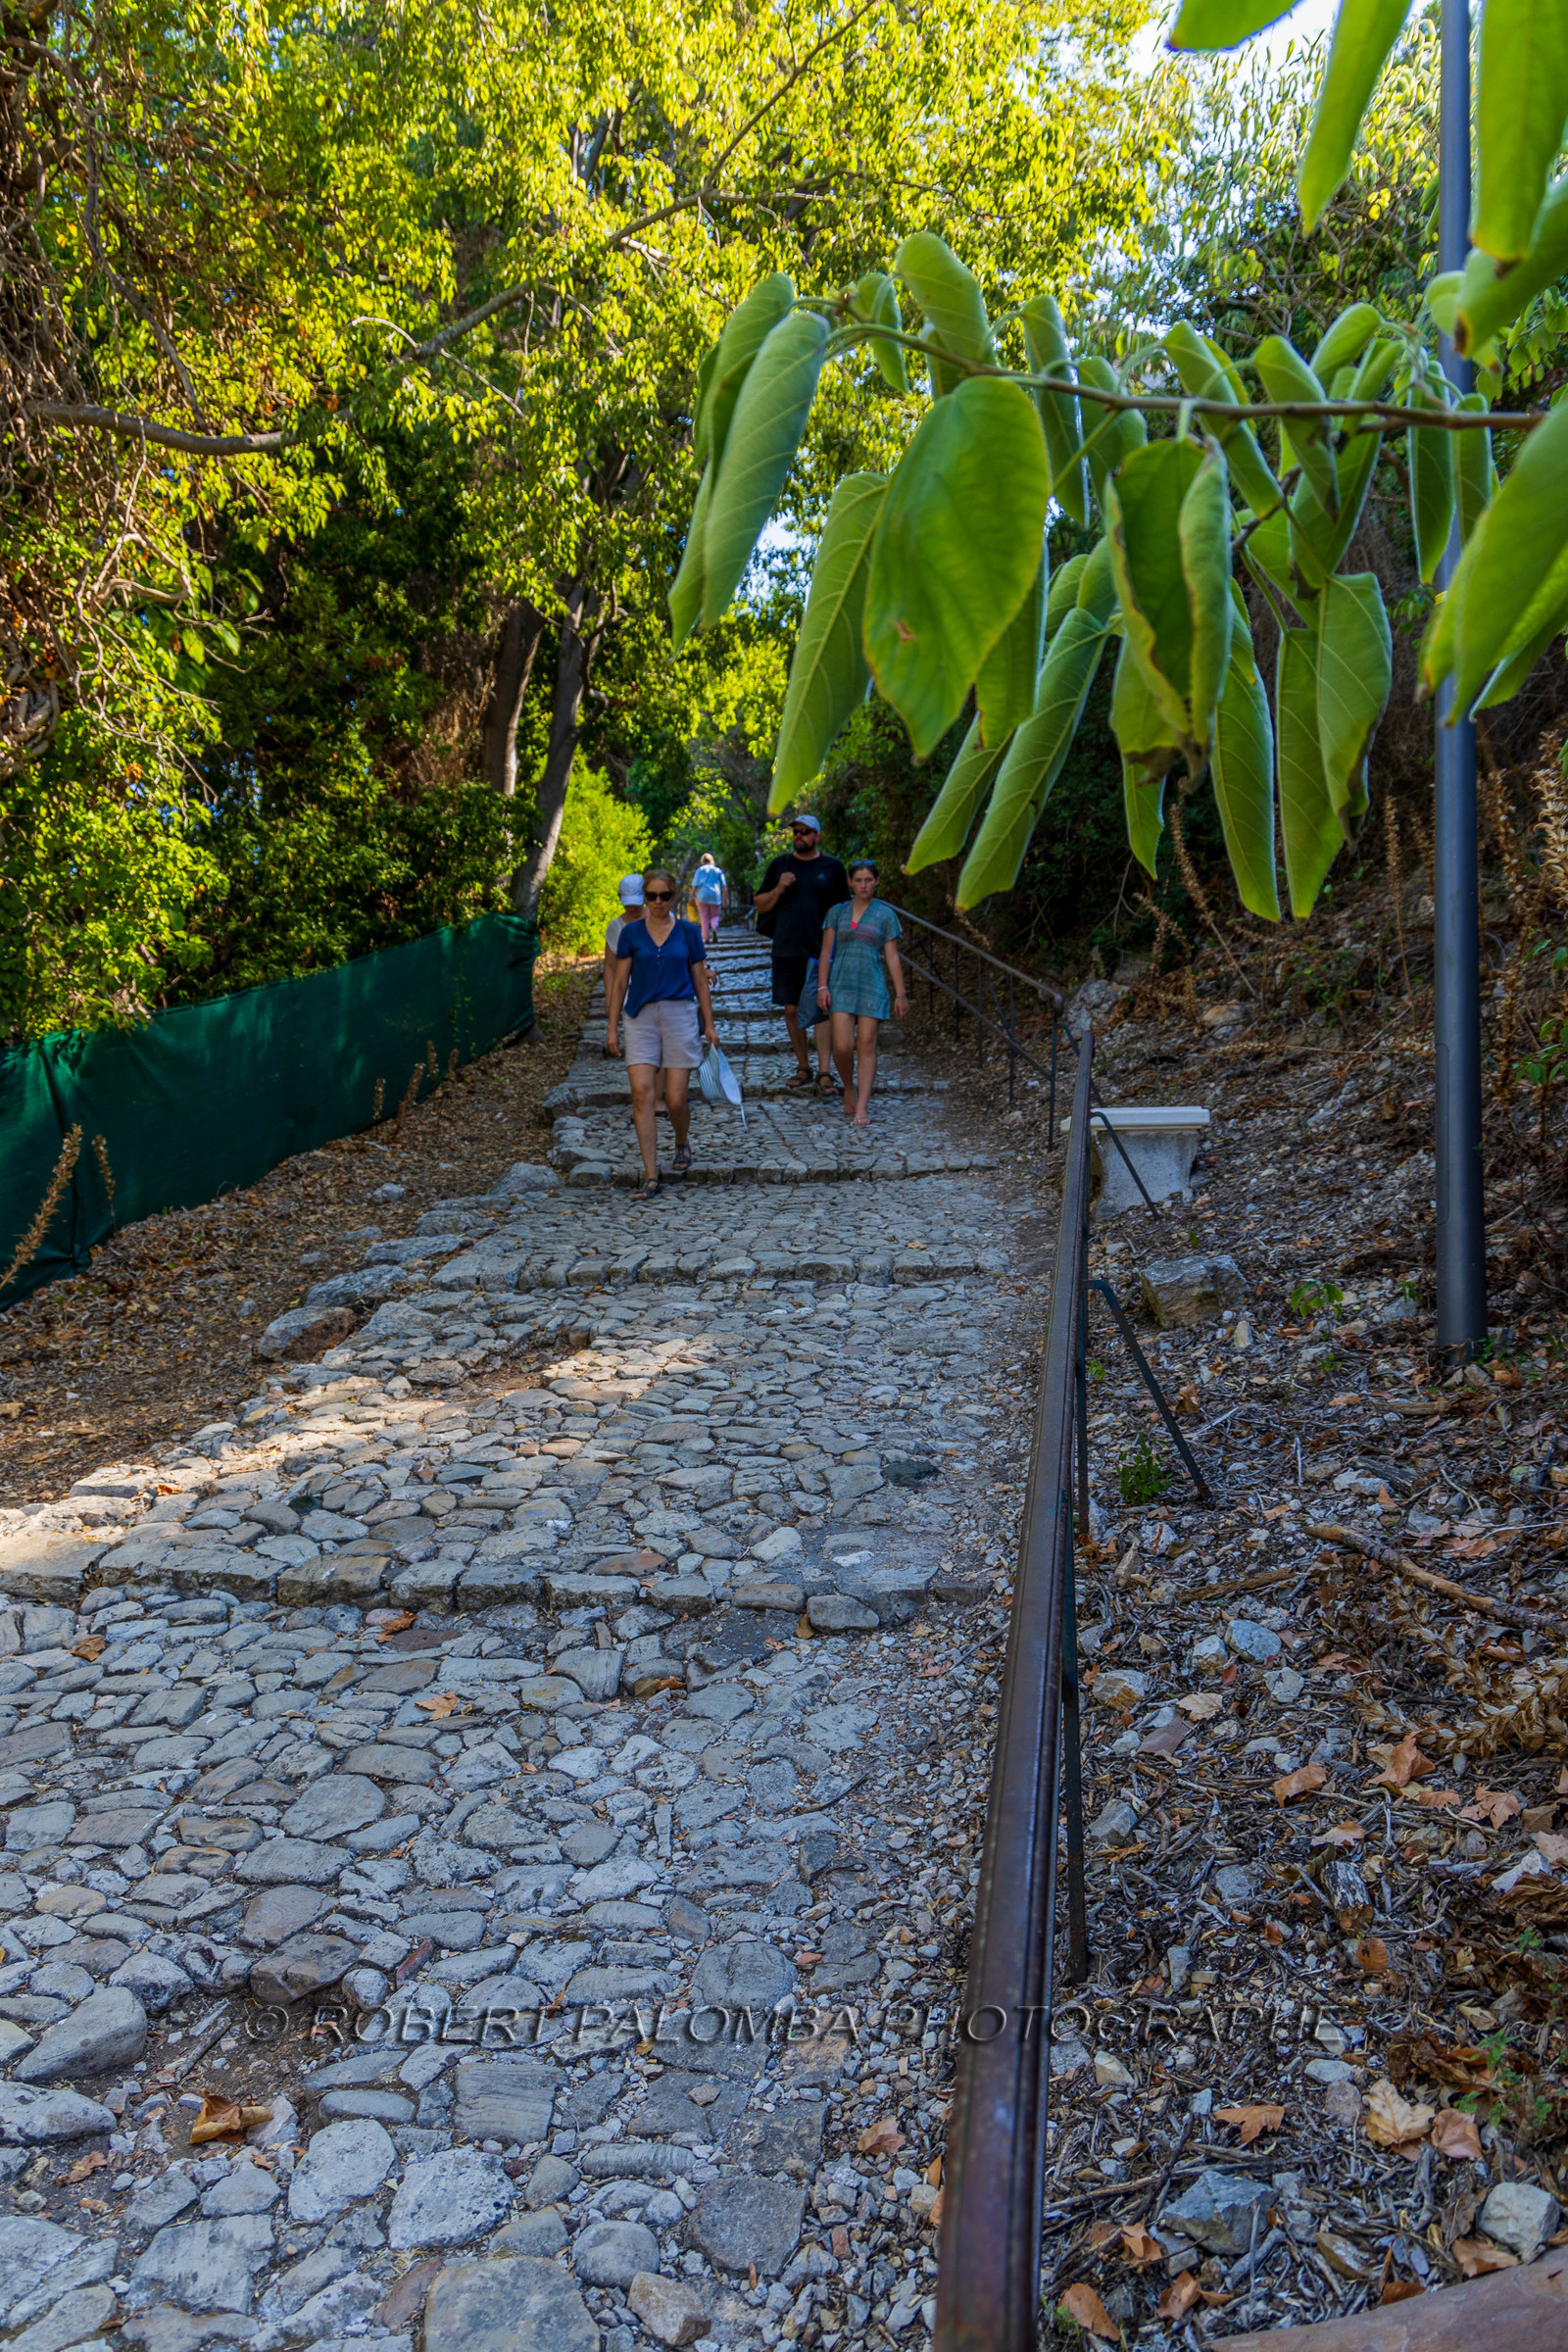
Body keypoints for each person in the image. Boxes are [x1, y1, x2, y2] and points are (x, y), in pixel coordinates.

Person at [605, 866, 719, 1201]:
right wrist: (611, 1027)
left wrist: (709, 1024)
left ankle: (681, 1138)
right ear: (644, 898)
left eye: (664, 896)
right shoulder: (631, 933)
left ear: (673, 896)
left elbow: (700, 980)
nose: (657, 902)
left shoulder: (688, 931)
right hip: (640, 1017)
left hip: (679, 1014)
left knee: (675, 1099)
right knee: (641, 1093)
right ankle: (651, 1175)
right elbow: (620, 981)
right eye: (651, 896)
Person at [754, 813, 849, 1095]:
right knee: (791, 1009)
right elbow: (760, 904)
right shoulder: (779, 866)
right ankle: (803, 1066)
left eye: (805, 832)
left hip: (821, 950)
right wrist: (779, 888)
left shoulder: (832, 867)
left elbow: (843, 909)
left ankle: (824, 1071)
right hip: (786, 948)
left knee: (822, 1010)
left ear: (817, 836)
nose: (799, 836)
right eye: (796, 832)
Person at [813, 858, 908, 1126]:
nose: (863, 885)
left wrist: (900, 994)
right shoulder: (837, 912)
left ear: (877, 881)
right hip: (840, 983)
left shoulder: (885, 915)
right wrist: (822, 986)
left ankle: (862, 1107)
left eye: (868, 880)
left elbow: (892, 958)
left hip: (871, 985)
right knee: (842, 1046)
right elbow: (824, 952)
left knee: (866, 1045)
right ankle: (848, 1086)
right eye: (858, 880)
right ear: (850, 882)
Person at [692, 852, 727, 944]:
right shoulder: (718, 870)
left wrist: (691, 896)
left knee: (704, 917)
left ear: (702, 861)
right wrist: (726, 898)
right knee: (715, 915)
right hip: (715, 896)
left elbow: (695, 885)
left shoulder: (700, 870)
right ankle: (714, 928)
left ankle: (706, 937)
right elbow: (724, 886)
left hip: (702, 896)